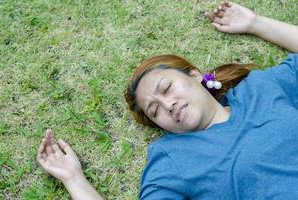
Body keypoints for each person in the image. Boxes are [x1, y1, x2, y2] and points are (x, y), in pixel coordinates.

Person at [37, 2, 298, 199]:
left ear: (196, 76)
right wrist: (74, 180)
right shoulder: (173, 158)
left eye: (167, 88)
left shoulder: (259, 88)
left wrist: (255, 23)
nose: (168, 104)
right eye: (155, 110)